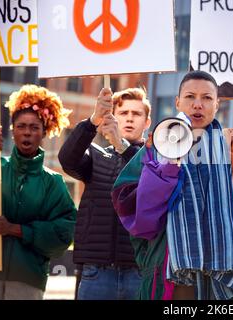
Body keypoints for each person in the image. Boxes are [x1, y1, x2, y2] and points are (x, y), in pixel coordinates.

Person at [112, 43, 233, 300]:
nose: (198, 105)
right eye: (190, 97)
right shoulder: (156, 148)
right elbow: (139, 215)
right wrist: (168, 166)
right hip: (176, 278)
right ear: (178, 102)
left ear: (217, 104)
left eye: (206, 98)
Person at [58, 87, 151, 300]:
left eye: (136, 114)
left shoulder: (156, 160)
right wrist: (93, 120)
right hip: (96, 272)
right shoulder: (96, 157)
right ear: (112, 117)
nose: (129, 118)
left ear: (147, 122)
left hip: (139, 272)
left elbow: (150, 179)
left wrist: (122, 145)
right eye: (123, 113)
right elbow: (67, 160)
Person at [0, 84, 76, 300]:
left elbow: (64, 234)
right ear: (12, 130)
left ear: (44, 132)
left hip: (27, 281)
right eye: (21, 126)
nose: (27, 132)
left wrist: (17, 230)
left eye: (34, 127)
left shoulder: (53, 183)